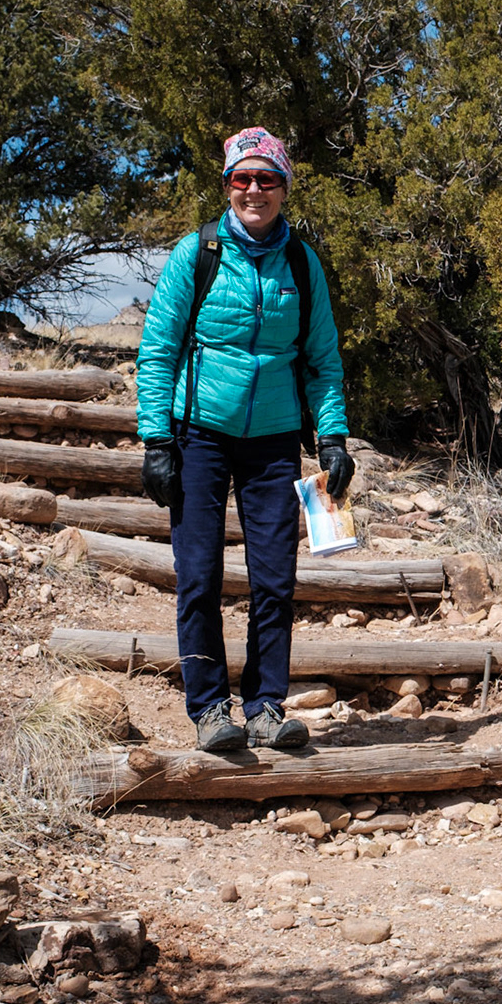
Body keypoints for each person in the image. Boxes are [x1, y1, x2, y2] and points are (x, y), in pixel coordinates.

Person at [135, 127, 356, 752]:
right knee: (198, 574)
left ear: (285, 187)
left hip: (275, 439)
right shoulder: (195, 252)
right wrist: (157, 439)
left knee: (274, 580)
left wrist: (332, 435)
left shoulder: (301, 262)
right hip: (199, 434)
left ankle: (264, 707)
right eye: (242, 178)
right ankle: (209, 711)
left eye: (266, 179)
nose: (254, 189)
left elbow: (322, 359)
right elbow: (157, 350)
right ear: (228, 185)